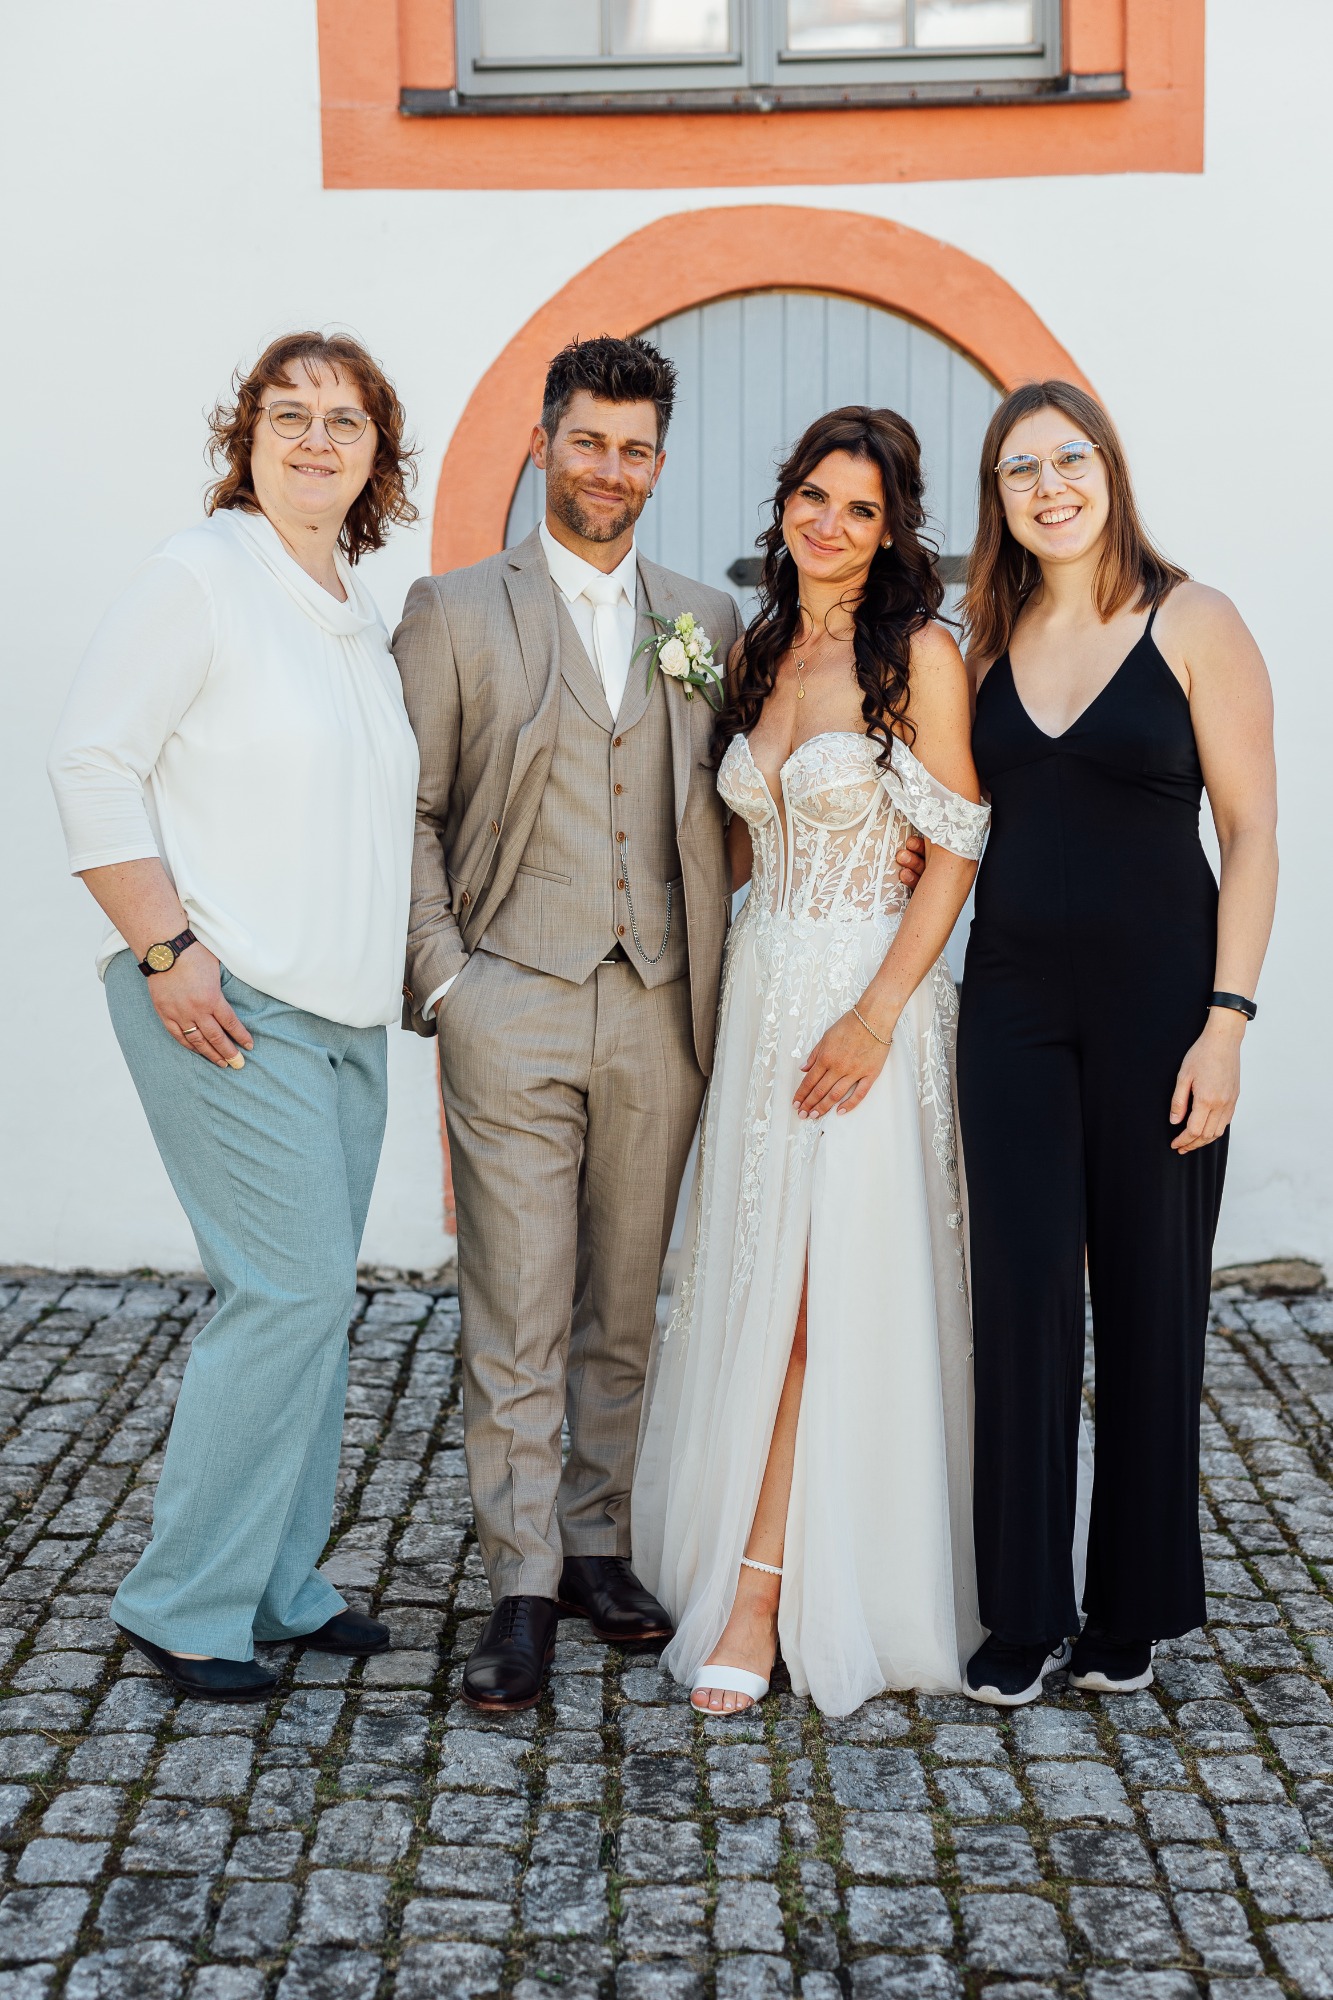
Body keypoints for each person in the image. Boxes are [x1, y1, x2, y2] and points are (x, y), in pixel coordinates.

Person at [47, 331, 421, 1701]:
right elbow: (91, 761)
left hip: (343, 1020)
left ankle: (277, 1583)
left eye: (344, 420)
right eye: (289, 414)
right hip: (230, 1003)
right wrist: (166, 949)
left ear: (378, 456)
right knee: (288, 1292)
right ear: (246, 436)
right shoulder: (200, 575)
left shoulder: (350, 608)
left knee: (311, 1309)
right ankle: (183, 1603)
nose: (316, 439)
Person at [394, 335, 747, 1712]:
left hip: (660, 1004)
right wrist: (447, 982)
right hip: (511, 1000)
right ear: (543, 444)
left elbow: (733, 799)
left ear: (659, 463)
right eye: (588, 441)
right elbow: (411, 812)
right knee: (518, 1304)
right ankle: (522, 1584)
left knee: (625, 1299)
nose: (610, 468)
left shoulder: (703, 617)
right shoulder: (452, 609)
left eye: (635, 448)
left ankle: (599, 1544)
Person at [632, 406, 990, 1717]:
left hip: (863, 1010)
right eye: (812, 497)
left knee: (813, 1304)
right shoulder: (759, 648)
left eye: (859, 508)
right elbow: (734, 847)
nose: (829, 524)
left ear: (892, 531)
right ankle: (740, 1549)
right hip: (760, 1001)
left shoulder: (920, 655)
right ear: (783, 503)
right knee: (747, 1280)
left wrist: (876, 1014)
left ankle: (765, 1593)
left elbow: (955, 846)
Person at [957, 380, 1278, 1707]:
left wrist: (1226, 1023)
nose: (1049, 486)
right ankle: (1022, 1609)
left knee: (1151, 1301)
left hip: (1163, 1010)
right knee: (1020, 1299)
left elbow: (1251, 836)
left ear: (1109, 471)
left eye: (1068, 460)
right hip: (1011, 1011)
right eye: (1020, 469)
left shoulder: (1193, 619)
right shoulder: (984, 638)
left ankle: (1130, 1607)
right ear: (999, 497)